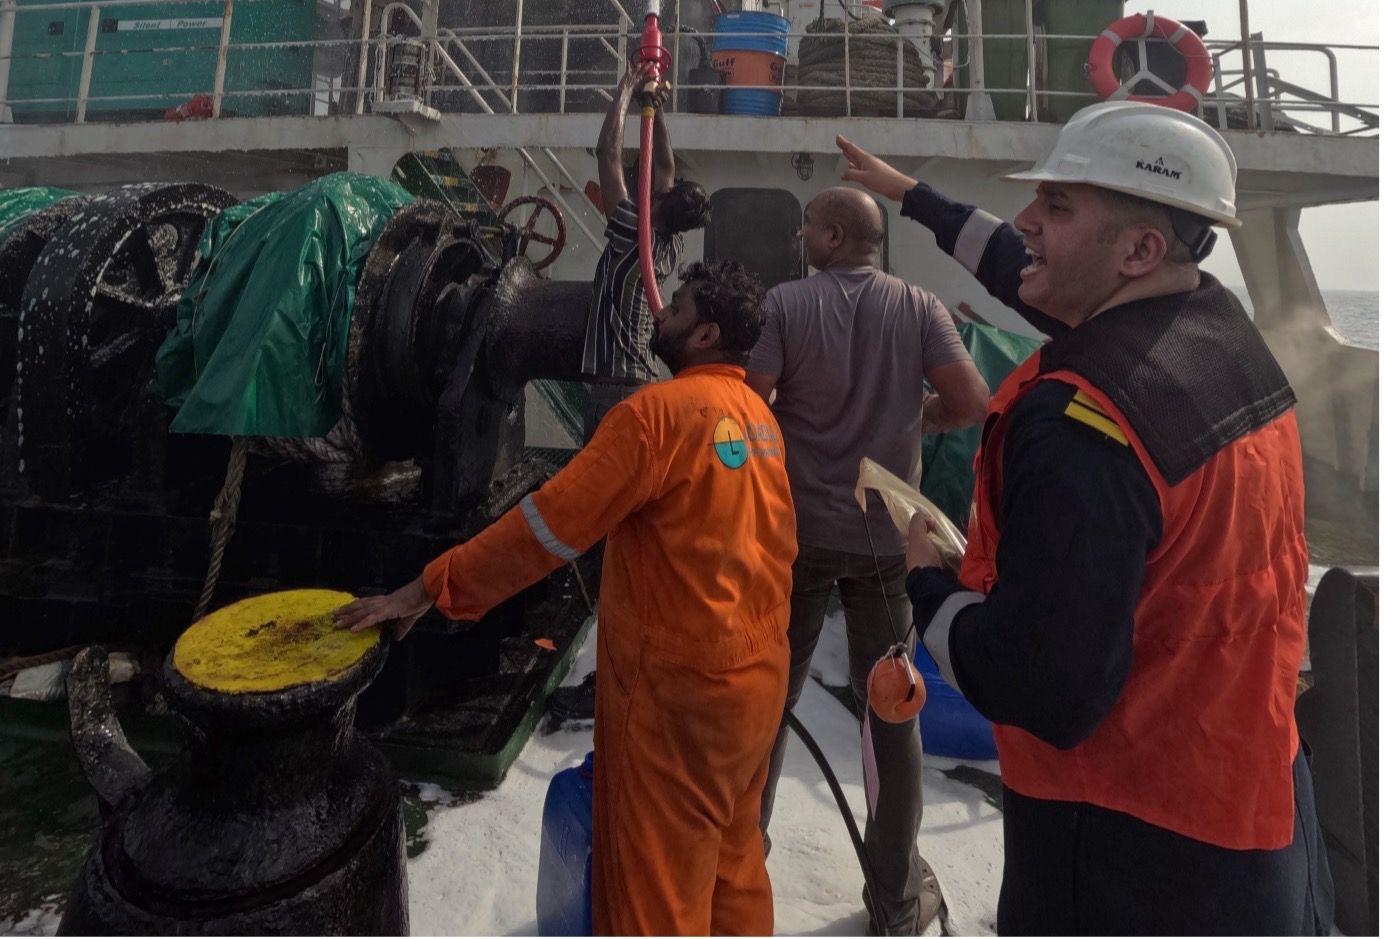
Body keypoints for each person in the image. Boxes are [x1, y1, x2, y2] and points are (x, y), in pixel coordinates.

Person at [837, 104, 1334, 937]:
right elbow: (1016, 263)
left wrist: (928, 586)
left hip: (1129, 844)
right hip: (1259, 789)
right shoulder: (1218, 332)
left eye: (1058, 206)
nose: (1026, 221)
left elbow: (1045, 687)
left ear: (1138, 250)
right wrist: (907, 192)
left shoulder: (1081, 426)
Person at [335, 260, 796, 937]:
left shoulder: (656, 416)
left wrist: (431, 587)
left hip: (678, 696)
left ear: (706, 334)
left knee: (656, 891)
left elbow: (545, 528)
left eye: (677, 307)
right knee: (733, 860)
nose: (660, 312)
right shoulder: (759, 418)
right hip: (757, 680)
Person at [745, 185, 990, 936]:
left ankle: (738, 867)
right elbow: (972, 400)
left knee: (767, 703)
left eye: (808, 227)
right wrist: (919, 418)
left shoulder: (785, 305)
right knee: (892, 710)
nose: (800, 238)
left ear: (832, 235)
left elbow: (750, 406)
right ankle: (895, 900)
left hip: (795, 539)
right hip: (885, 545)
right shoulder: (920, 307)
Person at [582, 59, 709, 398]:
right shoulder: (671, 245)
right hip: (642, 375)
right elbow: (665, 165)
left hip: (615, 380)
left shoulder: (632, 232)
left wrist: (626, 89)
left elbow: (607, 154)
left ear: (663, 197)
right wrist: (653, 104)